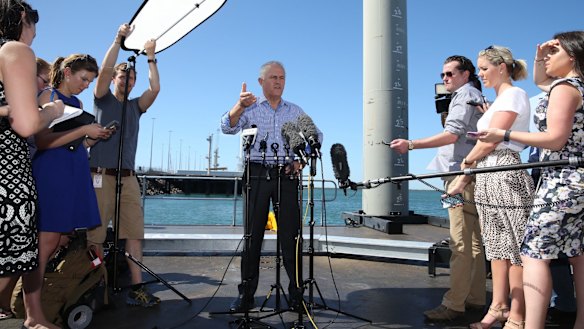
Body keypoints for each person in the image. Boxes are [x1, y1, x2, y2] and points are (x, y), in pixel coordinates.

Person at [479, 31, 584, 329]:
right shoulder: (574, 85)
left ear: (572, 57)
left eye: (554, 53)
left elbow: (554, 138)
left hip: (560, 182)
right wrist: (541, 56)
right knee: (577, 254)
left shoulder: (564, 88)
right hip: (576, 181)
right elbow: (540, 80)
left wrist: (505, 134)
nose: (547, 58)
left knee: (534, 254)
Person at [389, 55, 486, 321]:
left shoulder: (464, 95)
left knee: (459, 241)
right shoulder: (476, 95)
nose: (444, 79)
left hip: (457, 179)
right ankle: (476, 298)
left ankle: (454, 304)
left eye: (449, 74)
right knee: (475, 241)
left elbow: (452, 134)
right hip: (472, 175)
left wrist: (410, 145)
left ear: (465, 74)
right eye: (443, 75)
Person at [221, 60, 322, 312]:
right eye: (273, 77)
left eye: (282, 78)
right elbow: (225, 127)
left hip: (286, 176)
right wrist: (238, 106)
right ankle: (246, 296)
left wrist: (300, 160)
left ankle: (297, 295)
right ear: (261, 82)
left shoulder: (295, 111)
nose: (278, 82)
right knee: (252, 238)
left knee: (291, 238)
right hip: (255, 175)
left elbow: (316, 136)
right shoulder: (250, 108)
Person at [448, 45, 534, 329]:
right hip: (488, 174)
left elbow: (491, 141)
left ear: (502, 67)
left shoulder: (514, 94)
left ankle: (519, 315)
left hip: (505, 173)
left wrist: (466, 166)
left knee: (514, 248)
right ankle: (498, 306)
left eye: (484, 68)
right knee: (496, 247)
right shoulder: (497, 101)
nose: (481, 74)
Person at [31, 53, 112, 324]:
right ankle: (34, 315)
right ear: (67, 72)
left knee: (55, 242)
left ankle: (22, 305)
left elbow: (71, 143)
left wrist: (91, 137)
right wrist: (82, 131)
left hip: (72, 170)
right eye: (84, 79)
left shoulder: (76, 103)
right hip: (52, 173)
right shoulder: (47, 96)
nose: (86, 85)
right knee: (45, 245)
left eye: (90, 82)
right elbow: (42, 141)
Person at [86, 23, 161, 307]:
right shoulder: (102, 98)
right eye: (123, 76)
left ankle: (137, 287)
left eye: (132, 79)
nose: (128, 82)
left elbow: (155, 88)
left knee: (133, 233)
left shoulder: (136, 107)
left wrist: (151, 57)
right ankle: (97, 286)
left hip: (128, 178)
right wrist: (118, 39)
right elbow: (103, 72)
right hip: (100, 176)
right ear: (116, 77)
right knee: (95, 234)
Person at [0, 1, 65, 328]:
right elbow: (25, 125)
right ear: (21, 19)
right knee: (10, 259)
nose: (34, 37)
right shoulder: (14, 50)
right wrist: (51, 111)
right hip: (7, 173)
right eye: (33, 28)